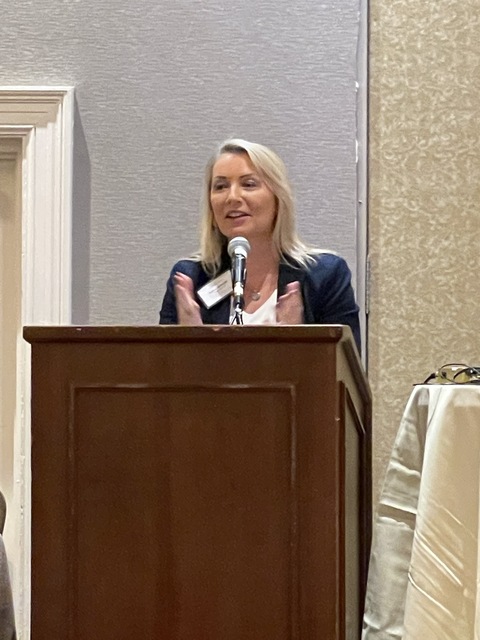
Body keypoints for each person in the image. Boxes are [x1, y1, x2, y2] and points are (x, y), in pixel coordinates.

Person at [159, 138, 361, 352]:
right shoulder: (192, 280)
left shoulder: (324, 277)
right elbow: (160, 369)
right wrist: (189, 339)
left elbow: (345, 369)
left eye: (248, 184)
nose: (232, 197)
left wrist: (297, 342)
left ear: (278, 198)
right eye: (221, 186)